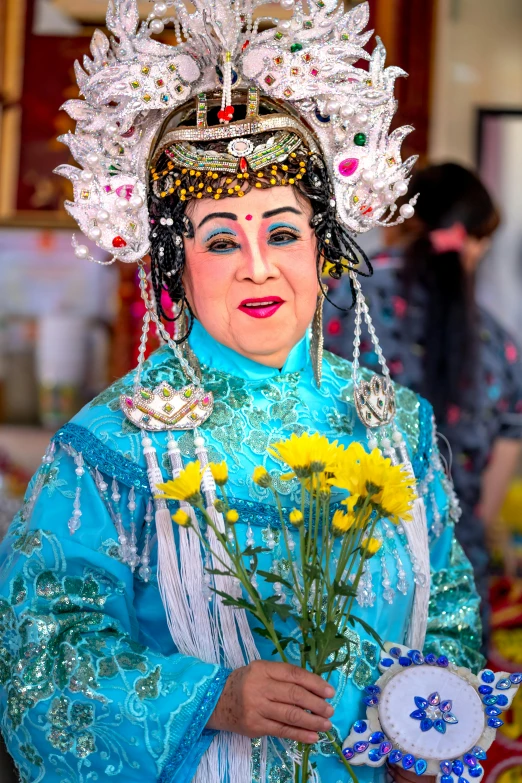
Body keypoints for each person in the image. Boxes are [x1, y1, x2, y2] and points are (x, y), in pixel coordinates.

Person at [0, 3, 482, 782]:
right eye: (221, 239)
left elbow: (451, 609)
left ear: (326, 252)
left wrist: (430, 722)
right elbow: (41, 653)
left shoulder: (396, 425)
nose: (259, 266)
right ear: (173, 268)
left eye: (284, 233)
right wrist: (211, 699)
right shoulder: (115, 443)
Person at [324, 162, 522, 642]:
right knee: (444, 707)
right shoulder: (500, 344)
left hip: (349, 560)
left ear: (404, 221)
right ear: (474, 242)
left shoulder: (344, 299)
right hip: (455, 565)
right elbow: (500, 467)